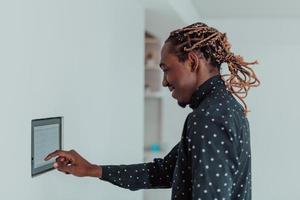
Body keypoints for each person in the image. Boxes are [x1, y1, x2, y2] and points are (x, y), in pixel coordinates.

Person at [45, 22, 260, 200]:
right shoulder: (225, 108)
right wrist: (92, 169)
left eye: (166, 69)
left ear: (193, 62)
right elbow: (163, 172)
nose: (165, 81)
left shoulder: (207, 118)